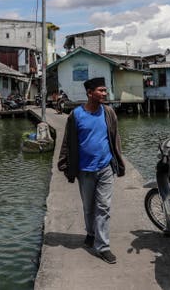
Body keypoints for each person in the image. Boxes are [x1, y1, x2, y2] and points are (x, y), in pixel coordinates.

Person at [57, 77, 125, 264]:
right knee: (89, 207)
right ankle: (90, 232)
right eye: (101, 91)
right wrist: (64, 163)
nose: (105, 94)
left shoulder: (108, 112)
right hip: (84, 169)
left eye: (105, 90)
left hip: (105, 167)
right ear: (90, 93)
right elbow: (68, 142)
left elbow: (115, 138)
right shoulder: (76, 115)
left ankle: (103, 246)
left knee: (103, 206)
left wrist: (119, 161)